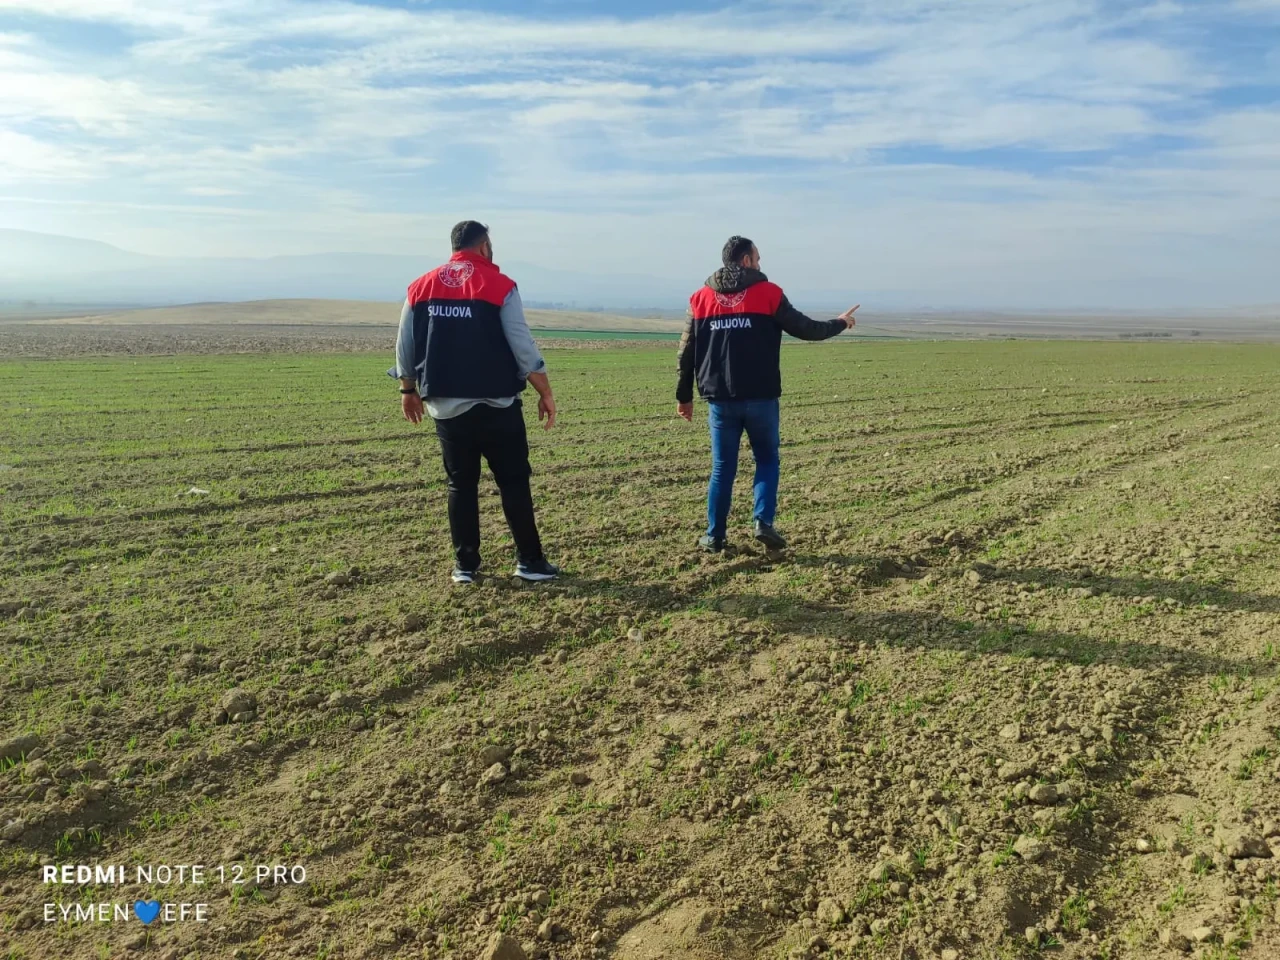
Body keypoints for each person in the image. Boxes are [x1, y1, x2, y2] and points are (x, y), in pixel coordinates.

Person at [392, 220, 560, 584]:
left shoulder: (420, 287)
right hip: (498, 405)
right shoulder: (500, 285)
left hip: (448, 409)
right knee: (514, 482)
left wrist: (408, 390)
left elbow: (404, 344)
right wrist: (544, 391)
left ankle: (465, 567)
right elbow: (522, 345)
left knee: (460, 486)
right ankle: (529, 562)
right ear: (484, 246)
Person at [676, 235, 859, 552]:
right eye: (758, 259)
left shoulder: (700, 298)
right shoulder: (769, 294)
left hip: (719, 401)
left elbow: (686, 352)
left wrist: (684, 396)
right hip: (761, 397)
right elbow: (807, 329)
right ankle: (762, 522)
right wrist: (840, 323)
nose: (761, 265)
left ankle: (715, 536)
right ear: (746, 260)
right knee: (767, 460)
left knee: (722, 468)